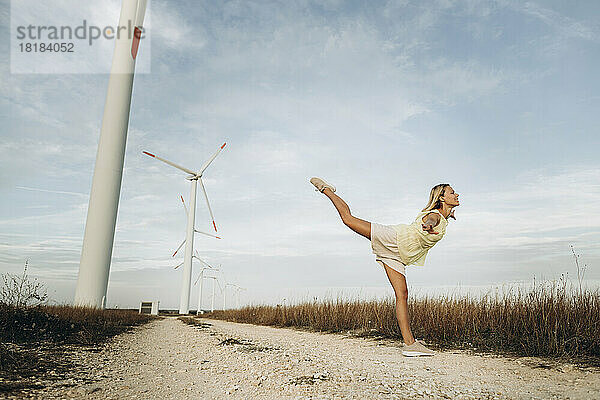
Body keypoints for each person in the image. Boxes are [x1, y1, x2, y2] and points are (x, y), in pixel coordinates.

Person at [309, 177, 459, 357]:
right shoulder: (435, 215)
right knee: (348, 219)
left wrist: (447, 215)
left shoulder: (444, 217)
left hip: (398, 255)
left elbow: (438, 219)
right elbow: (431, 219)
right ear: (441, 197)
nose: (456, 194)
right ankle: (326, 189)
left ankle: (410, 345)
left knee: (402, 294)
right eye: (452, 192)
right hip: (393, 238)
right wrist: (428, 225)